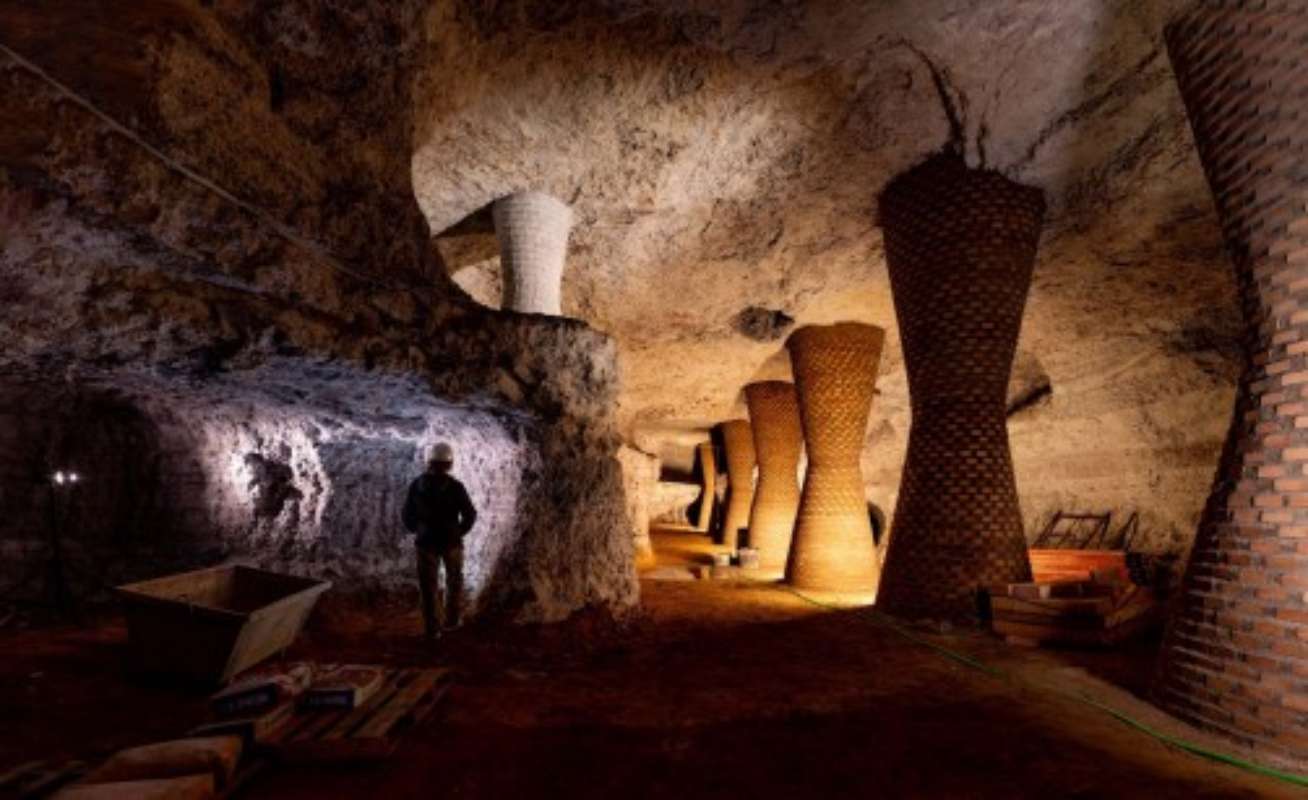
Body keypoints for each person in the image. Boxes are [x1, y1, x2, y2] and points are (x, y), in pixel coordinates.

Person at [402, 442, 477, 640]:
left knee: (428, 585)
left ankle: (432, 629)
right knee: (454, 581)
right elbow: (470, 514)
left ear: (429, 462)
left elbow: (407, 515)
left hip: (426, 542)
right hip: (451, 542)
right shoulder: (456, 487)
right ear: (449, 464)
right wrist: (459, 531)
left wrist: (418, 530)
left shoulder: (417, 485)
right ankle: (452, 621)